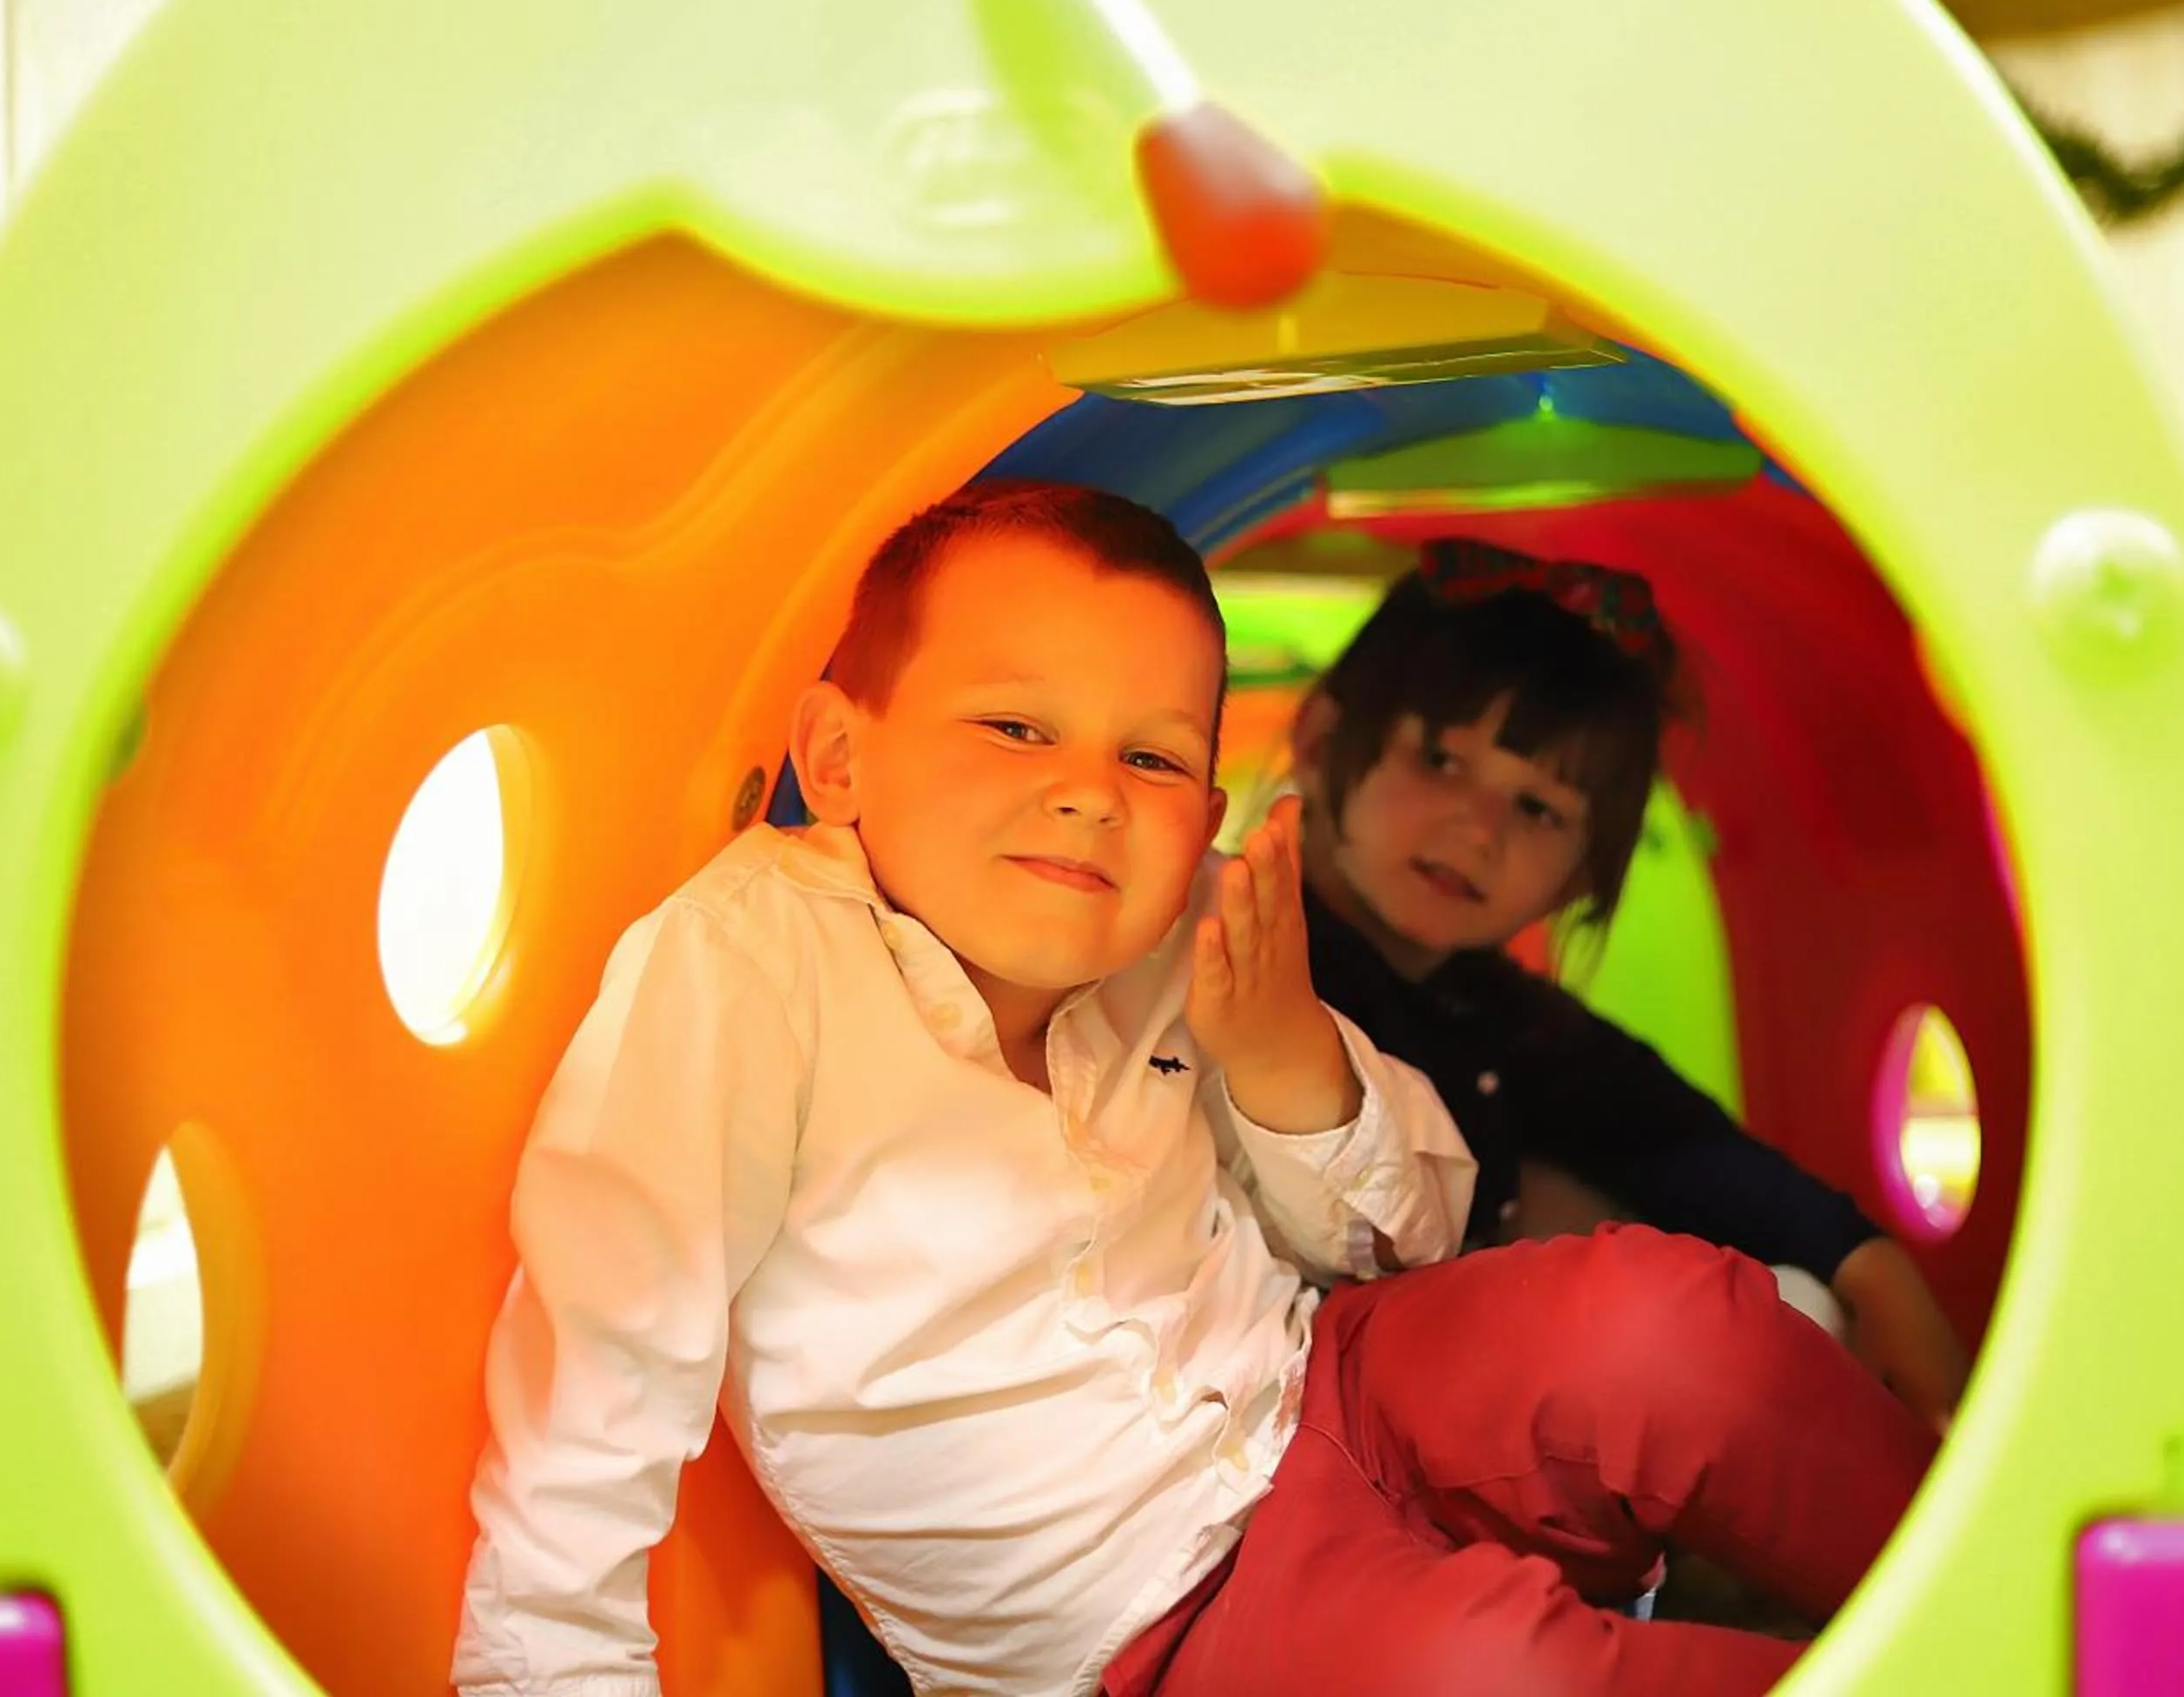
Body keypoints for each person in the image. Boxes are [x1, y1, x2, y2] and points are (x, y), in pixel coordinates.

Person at [452, 481, 1937, 1697]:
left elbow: (1413, 1241)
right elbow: (598, 1386)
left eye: (1153, 758)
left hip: (1335, 1386)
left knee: (1671, 1326)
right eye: (1016, 727)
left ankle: (1987, 1555)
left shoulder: (1195, 928)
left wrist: (1286, 1058)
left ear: (1208, 806)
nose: (1090, 792)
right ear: (839, 757)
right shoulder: (753, 968)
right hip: (1158, 1627)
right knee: (1488, 1674)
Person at [1288, 540, 1970, 1430]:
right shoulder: (1259, 946)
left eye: (1540, 809)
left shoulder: (1489, 1010)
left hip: (1449, 1404)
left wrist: (1871, 1262)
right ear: (1321, 743)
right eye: (1442, 761)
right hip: (1283, 1408)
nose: (1479, 829)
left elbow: (1670, 1136)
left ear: (1577, 878)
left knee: (1794, 1303)